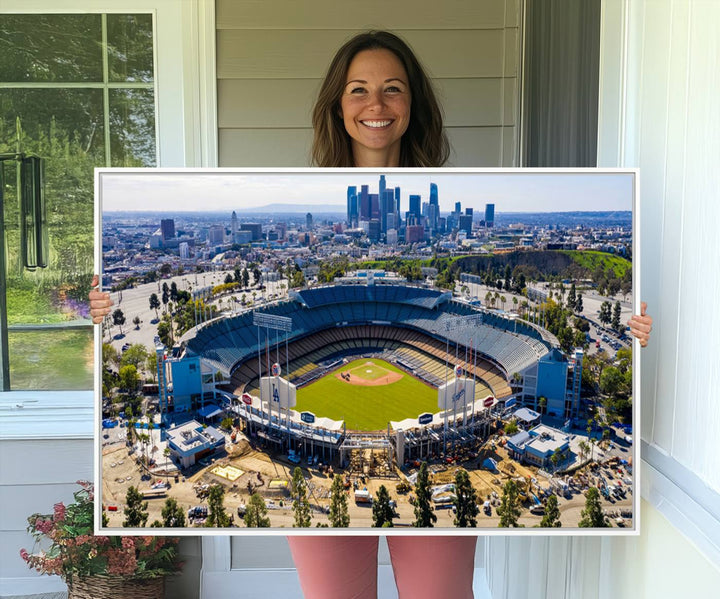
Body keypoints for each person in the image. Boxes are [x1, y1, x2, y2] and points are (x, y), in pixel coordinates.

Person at [89, 30, 653, 599]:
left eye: (393, 89)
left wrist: (634, 335)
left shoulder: (459, 183)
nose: (376, 105)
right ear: (337, 105)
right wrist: (101, 313)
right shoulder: (299, 188)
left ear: (414, 105)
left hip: (427, 480)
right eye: (358, 90)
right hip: (331, 495)